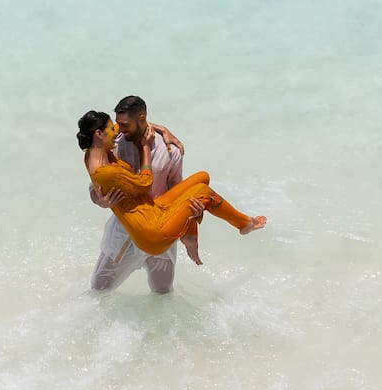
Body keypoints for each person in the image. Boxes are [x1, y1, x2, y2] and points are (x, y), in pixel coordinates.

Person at [78, 107, 266, 271]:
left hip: (153, 209)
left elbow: (130, 125)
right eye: (112, 129)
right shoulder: (107, 171)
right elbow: (145, 184)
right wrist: (145, 149)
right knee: (204, 192)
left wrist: (162, 128)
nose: (117, 131)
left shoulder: (94, 153)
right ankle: (244, 224)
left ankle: (190, 234)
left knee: (203, 177)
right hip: (150, 233)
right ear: (99, 134)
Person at [87, 95, 189, 292]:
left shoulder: (171, 150)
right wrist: (100, 201)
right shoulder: (114, 146)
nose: (119, 130)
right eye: (117, 125)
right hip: (124, 235)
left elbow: (178, 192)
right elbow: (94, 187)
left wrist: (188, 233)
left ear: (142, 118)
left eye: (125, 125)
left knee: (162, 293)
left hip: (160, 233)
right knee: (99, 290)